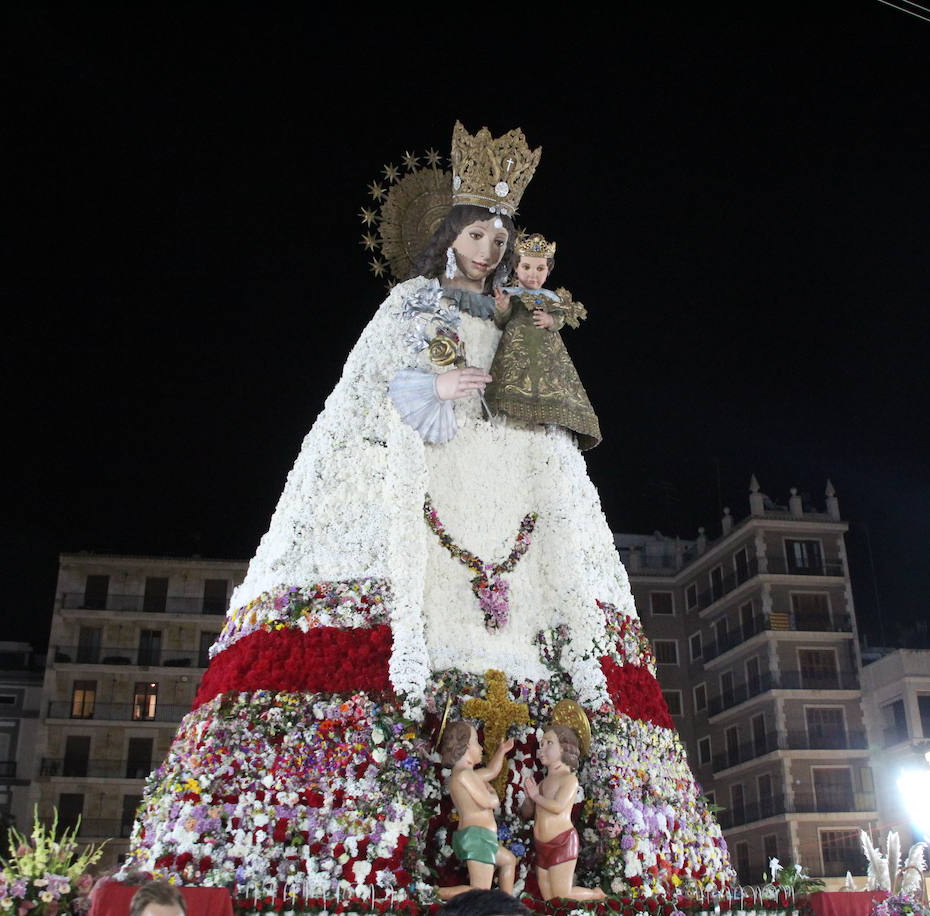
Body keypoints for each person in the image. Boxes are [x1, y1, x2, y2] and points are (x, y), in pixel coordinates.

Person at [123, 123, 730, 903]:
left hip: (515, 479)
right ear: (450, 235)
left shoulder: (515, 311)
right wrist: (432, 388)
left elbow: (545, 374)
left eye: (498, 238)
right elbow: (375, 378)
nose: (488, 249)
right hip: (428, 470)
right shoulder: (411, 302)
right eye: (477, 233)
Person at [483, 233, 600, 450]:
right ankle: (513, 422)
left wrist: (550, 319)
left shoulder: (550, 298)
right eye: (526, 267)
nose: (533, 275)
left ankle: (547, 423)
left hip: (547, 351)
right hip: (516, 348)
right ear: (516, 268)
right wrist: (501, 307)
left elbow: (561, 318)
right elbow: (502, 321)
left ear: (548, 271)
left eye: (539, 269)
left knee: (551, 382)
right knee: (514, 379)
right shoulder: (510, 294)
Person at [437, 721, 517, 898]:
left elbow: (491, 771)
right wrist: (493, 794)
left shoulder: (468, 774)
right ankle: (432, 893)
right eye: (477, 742)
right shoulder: (464, 775)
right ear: (465, 747)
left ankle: (506, 906)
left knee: (508, 860)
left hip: (481, 836)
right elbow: (489, 802)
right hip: (477, 836)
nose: (481, 747)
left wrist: (501, 751)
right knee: (479, 890)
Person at [522, 725, 603, 900]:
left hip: (562, 842)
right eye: (541, 744)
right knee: (548, 898)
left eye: (548, 743)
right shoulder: (543, 783)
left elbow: (558, 807)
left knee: (562, 894)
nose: (542, 748)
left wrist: (536, 796)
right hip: (541, 844)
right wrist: (529, 798)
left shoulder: (569, 779)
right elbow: (528, 813)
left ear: (564, 748)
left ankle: (596, 895)